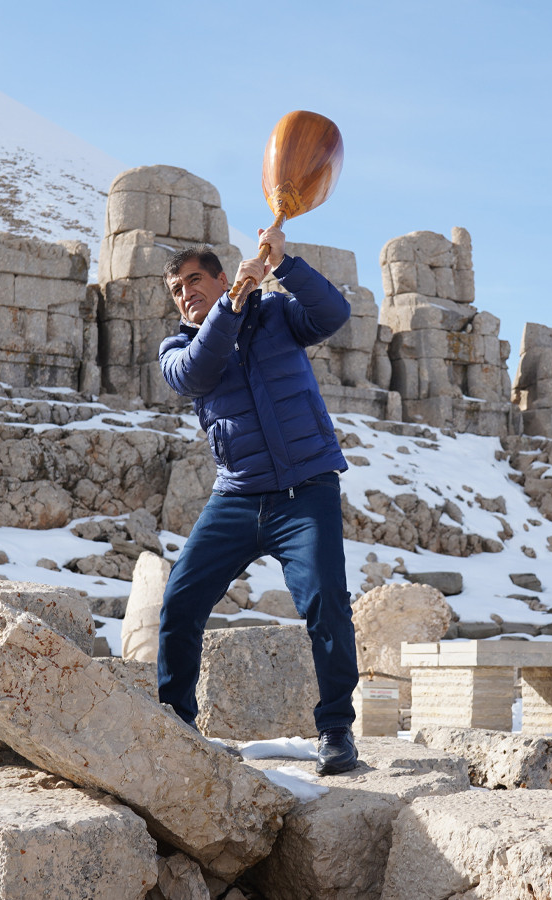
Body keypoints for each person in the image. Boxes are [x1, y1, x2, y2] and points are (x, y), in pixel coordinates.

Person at [156, 226, 361, 776]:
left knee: (326, 603)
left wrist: (284, 263)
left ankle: (336, 729)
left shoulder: (275, 314)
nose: (184, 293)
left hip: (307, 490)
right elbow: (197, 371)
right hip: (238, 496)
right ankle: (174, 723)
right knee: (180, 601)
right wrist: (229, 304)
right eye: (176, 289)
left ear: (222, 275)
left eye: (194, 280)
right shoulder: (176, 348)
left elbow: (333, 314)